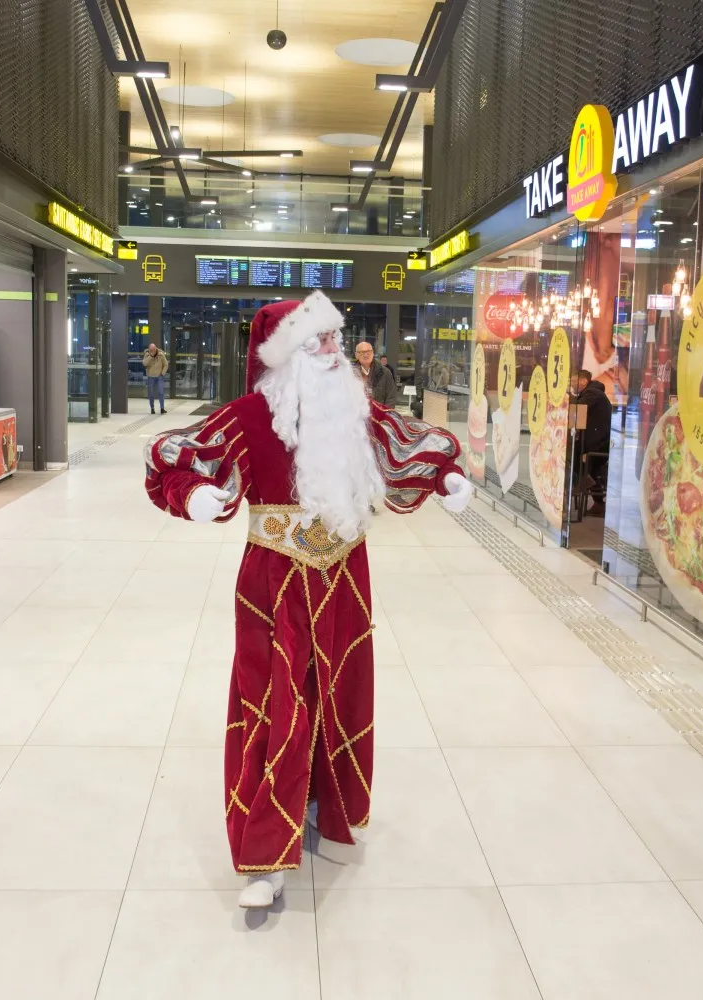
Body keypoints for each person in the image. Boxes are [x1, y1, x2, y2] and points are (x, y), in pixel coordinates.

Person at [144, 291, 472, 908]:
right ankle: (264, 854)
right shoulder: (249, 416)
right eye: (318, 340)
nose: (332, 349)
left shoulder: (356, 410)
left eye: (333, 338)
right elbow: (178, 457)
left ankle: (326, 803)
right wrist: (192, 494)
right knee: (274, 704)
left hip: (346, 575)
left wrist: (446, 475)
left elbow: (406, 445)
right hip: (274, 582)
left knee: (342, 693)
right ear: (285, 354)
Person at [572, 369, 612, 516]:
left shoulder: (592, 394)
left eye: (574, 381)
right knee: (585, 463)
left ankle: (579, 482)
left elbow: (577, 408)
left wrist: (565, 400)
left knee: (572, 453)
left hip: (598, 442)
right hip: (598, 440)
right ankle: (584, 484)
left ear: (583, 381)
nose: (572, 384)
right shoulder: (592, 393)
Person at [353, 340, 401, 407]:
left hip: (379, 412)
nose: (366, 354)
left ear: (373, 353)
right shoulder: (350, 373)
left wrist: (385, 412)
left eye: (368, 351)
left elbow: (391, 398)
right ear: (356, 355)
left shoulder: (385, 372)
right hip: (357, 412)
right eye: (362, 352)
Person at [143, 342, 168, 414]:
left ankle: (162, 408)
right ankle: (152, 408)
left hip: (159, 376)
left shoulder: (161, 355)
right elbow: (144, 363)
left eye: (153, 349)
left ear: (155, 348)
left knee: (161, 392)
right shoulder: (147, 354)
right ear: (149, 349)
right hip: (151, 376)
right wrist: (150, 356)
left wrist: (162, 373)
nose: (152, 351)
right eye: (151, 349)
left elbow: (166, 365)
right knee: (151, 393)